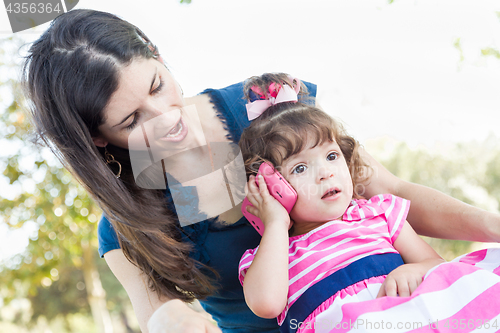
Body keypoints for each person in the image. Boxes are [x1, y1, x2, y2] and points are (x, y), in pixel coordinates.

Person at [21, 9, 500, 333]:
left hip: (388, 312)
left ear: (160, 58)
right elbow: (160, 311)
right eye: (132, 120)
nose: (164, 118)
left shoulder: (265, 107)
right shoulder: (130, 223)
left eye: (157, 85)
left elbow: (390, 190)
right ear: (98, 139)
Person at [237, 73, 500, 333]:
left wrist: (413, 270)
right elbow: (267, 304)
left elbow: (438, 266)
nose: (326, 172)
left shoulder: (378, 213)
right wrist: (275, 223)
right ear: (272, 187)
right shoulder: (273, 254)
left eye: (331, 155)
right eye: (301, 167)